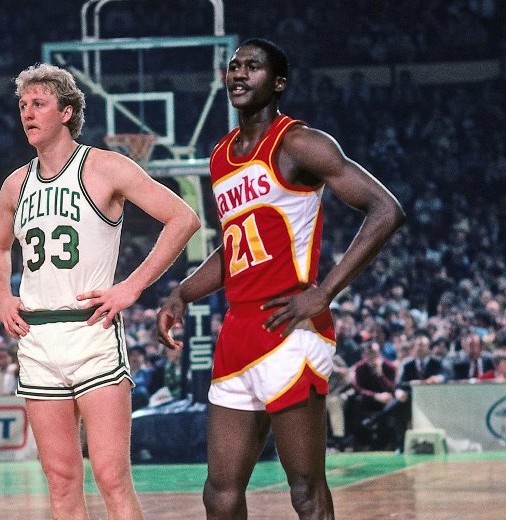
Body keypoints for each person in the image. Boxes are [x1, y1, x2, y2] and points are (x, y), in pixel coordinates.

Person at [157, 38, 404, 519]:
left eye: (252, 66)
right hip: (238, 331)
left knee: (306, 492)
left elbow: (386, 210)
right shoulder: (220, 155)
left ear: (278, 83)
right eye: (233, 67)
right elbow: (235, 250)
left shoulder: (299, 142)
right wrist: (181, 292)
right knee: (219, 492)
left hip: (290, 327)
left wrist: (325, 292)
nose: (239, 74)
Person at [0, 63, 200, 520]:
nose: (27, 113)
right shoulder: (15, 184)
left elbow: (183, 218)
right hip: (37, 340)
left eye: (38, 104)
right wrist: (1, 297)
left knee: (110, 476)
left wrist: (132, 287)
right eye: (23, 106)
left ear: (66, 112)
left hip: (92, 332)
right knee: (61, 484)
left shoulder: (104, 166)